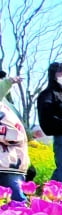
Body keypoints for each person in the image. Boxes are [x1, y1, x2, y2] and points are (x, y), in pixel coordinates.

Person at [0, 69, 31, 202]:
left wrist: (31, 134)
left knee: (16, 201)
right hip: (5, 163)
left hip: (13, 162)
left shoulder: (7, 106)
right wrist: (10, 135)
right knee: (17, 202)